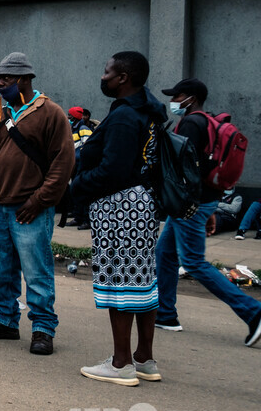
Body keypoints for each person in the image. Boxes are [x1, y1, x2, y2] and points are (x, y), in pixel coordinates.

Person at [70, 52, 167, 386]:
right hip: (141, 204)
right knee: (141, 280)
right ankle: (144, 358)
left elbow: (114, 169)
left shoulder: (126, 116)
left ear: (124, 76)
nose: (103, 77)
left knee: (120, 284)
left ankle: (121, 362)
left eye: (107, 71)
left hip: (119, 206)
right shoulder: (148, 112)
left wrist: (77, 186)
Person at [0, 52, 74, 355]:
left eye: (6, 78)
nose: (0, 83)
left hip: (30, 207)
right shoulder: (5, 110)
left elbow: (63, 163)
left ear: (25, 79)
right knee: (4, 269)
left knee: (36, 270)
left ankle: (42, 328)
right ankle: (5, 321)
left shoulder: (51, 113)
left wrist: (40, 200)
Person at [156, 78, 261, 347]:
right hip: (202, 200)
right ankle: (165, 314)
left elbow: (185, 168)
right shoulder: (207, 121)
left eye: (177, 96)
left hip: (191, 202)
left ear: (190, 98)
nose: (174, 101)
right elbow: (203, 166)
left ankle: (254, 312)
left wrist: (190, 203)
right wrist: (208, 208)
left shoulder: (192, 122)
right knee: (165, 253)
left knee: (193, 262)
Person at [66, 107, 96, 230]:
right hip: (74, 164)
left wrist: (81, 161)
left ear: (74, 116)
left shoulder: (83, 129)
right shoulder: (73, 128)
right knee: (75, 190)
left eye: (69, 115)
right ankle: (77, 217)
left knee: (83, 192)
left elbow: (88, 147)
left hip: (81, 165)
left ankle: (86, 220)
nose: (68, 117)